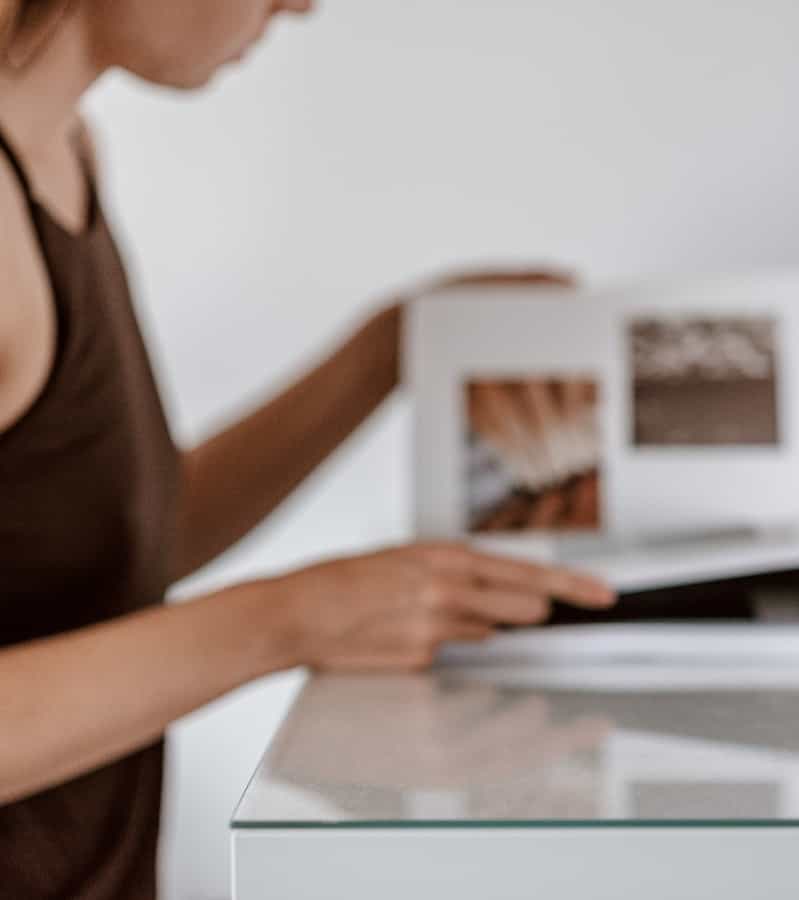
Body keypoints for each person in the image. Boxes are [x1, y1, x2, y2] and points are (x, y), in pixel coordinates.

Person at [0, 1, 615, 897]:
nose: (301, 3)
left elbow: (116, 549)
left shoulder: (65, 153)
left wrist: (387, 352)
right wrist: (288, 618)